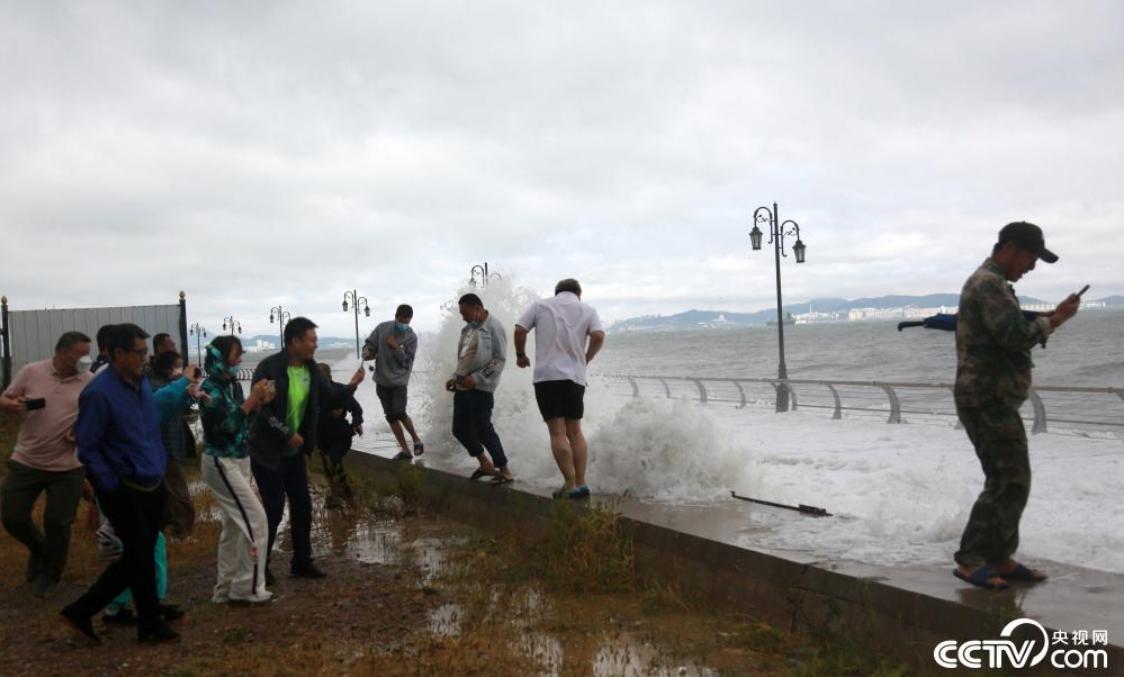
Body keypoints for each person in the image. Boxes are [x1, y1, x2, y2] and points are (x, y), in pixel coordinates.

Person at [952, 222, 1080, 590]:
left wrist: (1050, 319)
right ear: (1009, 248)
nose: (1032, 266)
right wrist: (1055, 320)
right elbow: (1013, 336)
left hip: (991, 397)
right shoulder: (988, 284)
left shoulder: (994, 284)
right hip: (985, 397)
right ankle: (970, 559)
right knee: (1008, 479)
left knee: (1012, 479)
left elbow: (1007, 331)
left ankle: (1000, 558)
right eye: (1030, 257)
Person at [61, 323, 186, 644]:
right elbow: (87, 445)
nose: (146, 358)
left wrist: (157, 465)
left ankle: (141, 621)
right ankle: (102, 614)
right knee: (139, 555)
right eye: (140, 352)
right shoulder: (99, 393)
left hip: (151, 481)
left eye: (146, 352)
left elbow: (148, 429)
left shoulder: (142, 383)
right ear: (119, 354)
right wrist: (111, 484)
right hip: (123, 488)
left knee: (138, 556)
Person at [0, 331, 93, 597]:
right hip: (27, 459)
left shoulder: (88, 381)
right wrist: (11, 405)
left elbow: (95, 416)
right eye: (81, 353)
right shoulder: (31, 371)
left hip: (68, 466)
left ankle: (51, 575)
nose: (86, 359)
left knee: (58, 522)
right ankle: (39, 549)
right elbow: (5, 398)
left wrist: (79, 430)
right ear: (63, 352)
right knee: (13, 517)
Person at [200, 336, 276, 605]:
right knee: (257, 520)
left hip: (238, 459)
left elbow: (244, 422)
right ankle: (247, 588)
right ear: (220, 359)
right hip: (222, 461)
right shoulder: (209, 389)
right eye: (235, 356)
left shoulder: (232, 386)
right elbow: (224, 428)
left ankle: (226, 588)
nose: (239, 361)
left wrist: (259, 403)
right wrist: (251, 400)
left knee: (234, 526)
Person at [250, 316, 326, 583]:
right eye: (312, 340)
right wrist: (285, 433)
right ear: (294, 341)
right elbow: (259, 408)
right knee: (272, 509)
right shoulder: (269, 367)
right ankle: (260, 566)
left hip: (294, 453)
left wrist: (352, 386)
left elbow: (326, 395)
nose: (315, 345)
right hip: (267, 452)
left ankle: (302, 562)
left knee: (303, 506)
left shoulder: (311, 369)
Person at [514, 279, 605, 499]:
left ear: (557, 292)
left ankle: (569, 484)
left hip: (547, 377)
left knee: (557, 432)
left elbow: (519, 330)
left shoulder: (541, 306)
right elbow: (599, 336)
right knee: (575, 431)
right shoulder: (588, 309)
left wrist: (521, 355)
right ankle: (582, 483)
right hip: (575, 378)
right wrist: (586, 358)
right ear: (578, 293)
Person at [446, 293, 512, 483]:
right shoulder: (467, 329)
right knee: (459, 429)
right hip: (462, 387)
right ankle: (484, 463)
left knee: (483, 429)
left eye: (465, 313)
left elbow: (499, 359)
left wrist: (477, 378)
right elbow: (464, 358)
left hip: (481, 388)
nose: (463, 317)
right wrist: (454, 377)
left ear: (477, 308)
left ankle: (505, 470)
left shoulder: (494, 327)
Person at [362, 304, 423, 461]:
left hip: (399, 382)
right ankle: (405, 450)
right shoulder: (383, 328)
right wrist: (368, 353)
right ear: (396, 317)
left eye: (407, 322)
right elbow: (369, 345)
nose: (403, 325)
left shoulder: (411, 337)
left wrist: (396, 347)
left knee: (399, 412)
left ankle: (416, 440)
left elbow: (407, 362)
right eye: (401, 321)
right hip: (382, 380)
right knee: (390, 416)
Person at [316, 363, 365, 507]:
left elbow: (357, 409)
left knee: (333, 459)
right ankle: (338, 494)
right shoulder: (313, 393)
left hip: (340, 436)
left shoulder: (339, 390)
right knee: (328, 466)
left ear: (329, 377)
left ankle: (346, 495)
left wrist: (356, 423)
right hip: (321, 437)